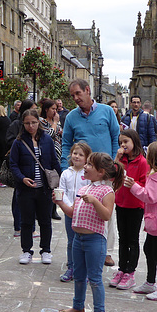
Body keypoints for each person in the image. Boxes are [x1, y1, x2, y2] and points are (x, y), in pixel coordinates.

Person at [55, 152, 124, 312]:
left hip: (95, 240)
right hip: (78, 239)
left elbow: (106, 215)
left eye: (89, 165)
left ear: (101, 172)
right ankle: (78, 306)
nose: (85, 166)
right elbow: (73, 213)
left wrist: (94, 201)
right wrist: (60, 202)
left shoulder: (107, 191)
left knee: (94, 278)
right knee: (78, 276)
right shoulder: (84, 188)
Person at [62, 79, 120, 266]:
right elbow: (66, 144)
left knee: (107, 213)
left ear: (88, 90)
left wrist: (111, 165)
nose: (76, 98)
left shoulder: (106, 111)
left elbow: (114, 138)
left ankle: (107, 252)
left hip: (104, 173)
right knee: (82, 209)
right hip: (81, 173)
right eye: (72, 96)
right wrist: (66, 168)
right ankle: (83, 247)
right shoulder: (71, 117)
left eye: (78, 93)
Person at [125, 141, 157, 301]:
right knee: (149, 248)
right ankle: (150, 281)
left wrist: (133, 186)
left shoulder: (156, 176)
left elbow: (150, 197)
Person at [10, 109, 60, 265]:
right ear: (23, 124)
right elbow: (13, 164)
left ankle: (46, 250)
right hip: (26, 190)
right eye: (27, 123)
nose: (31, 126)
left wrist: (61, 179)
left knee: (45, 221)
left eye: (33, 122)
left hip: (44, 188)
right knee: (26, 221)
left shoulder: (47, 140)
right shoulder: (18, 142)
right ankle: (26, 251)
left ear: (39, 122)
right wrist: (22, 178)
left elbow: (53, 162)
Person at [111, 129, 149, 291]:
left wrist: (134, 184)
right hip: (121, 203)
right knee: (122, 238)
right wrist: (117, 159)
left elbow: (146, 185)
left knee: (132, 239)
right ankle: (121, 269)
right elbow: (111, 175)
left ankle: (130, 272)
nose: (123, 145)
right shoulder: (122, 160)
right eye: (121, 142)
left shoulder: (142, 162)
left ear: (134, 141)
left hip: (135, 205)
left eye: (126, 141)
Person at [57, 142, 92, 282]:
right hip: (70, 212)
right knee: (71, 241)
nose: (77, 156)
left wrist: (80, 206)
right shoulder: (66, 173)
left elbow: (90, 190)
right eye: (75, 153)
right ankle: (71, 267)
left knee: (86, 241)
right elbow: (62, 190)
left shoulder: (88, 173)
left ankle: (87, 269)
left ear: (87, 158)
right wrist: (70, 206)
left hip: (85, 212)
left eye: (81, 154)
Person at [6, 99, 38, 235]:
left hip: (34, 167)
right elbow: (8, 141)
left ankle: (32, 227)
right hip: (20, 167)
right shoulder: (15, 125)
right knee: (18, 197)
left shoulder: (38, 127)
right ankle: (18, 226)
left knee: (33, 199)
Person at [40, 98, 63, 220]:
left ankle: (54, 209)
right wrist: (54, 123)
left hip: (58, 154)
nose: (55, 111)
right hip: (47, 154)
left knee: (56, 182)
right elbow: (49, 135)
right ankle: (46, 209)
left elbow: (60, 134)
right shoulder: (41, 122)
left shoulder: (56, 122)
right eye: (53, 109)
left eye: (56, 109)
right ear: (46, 109)